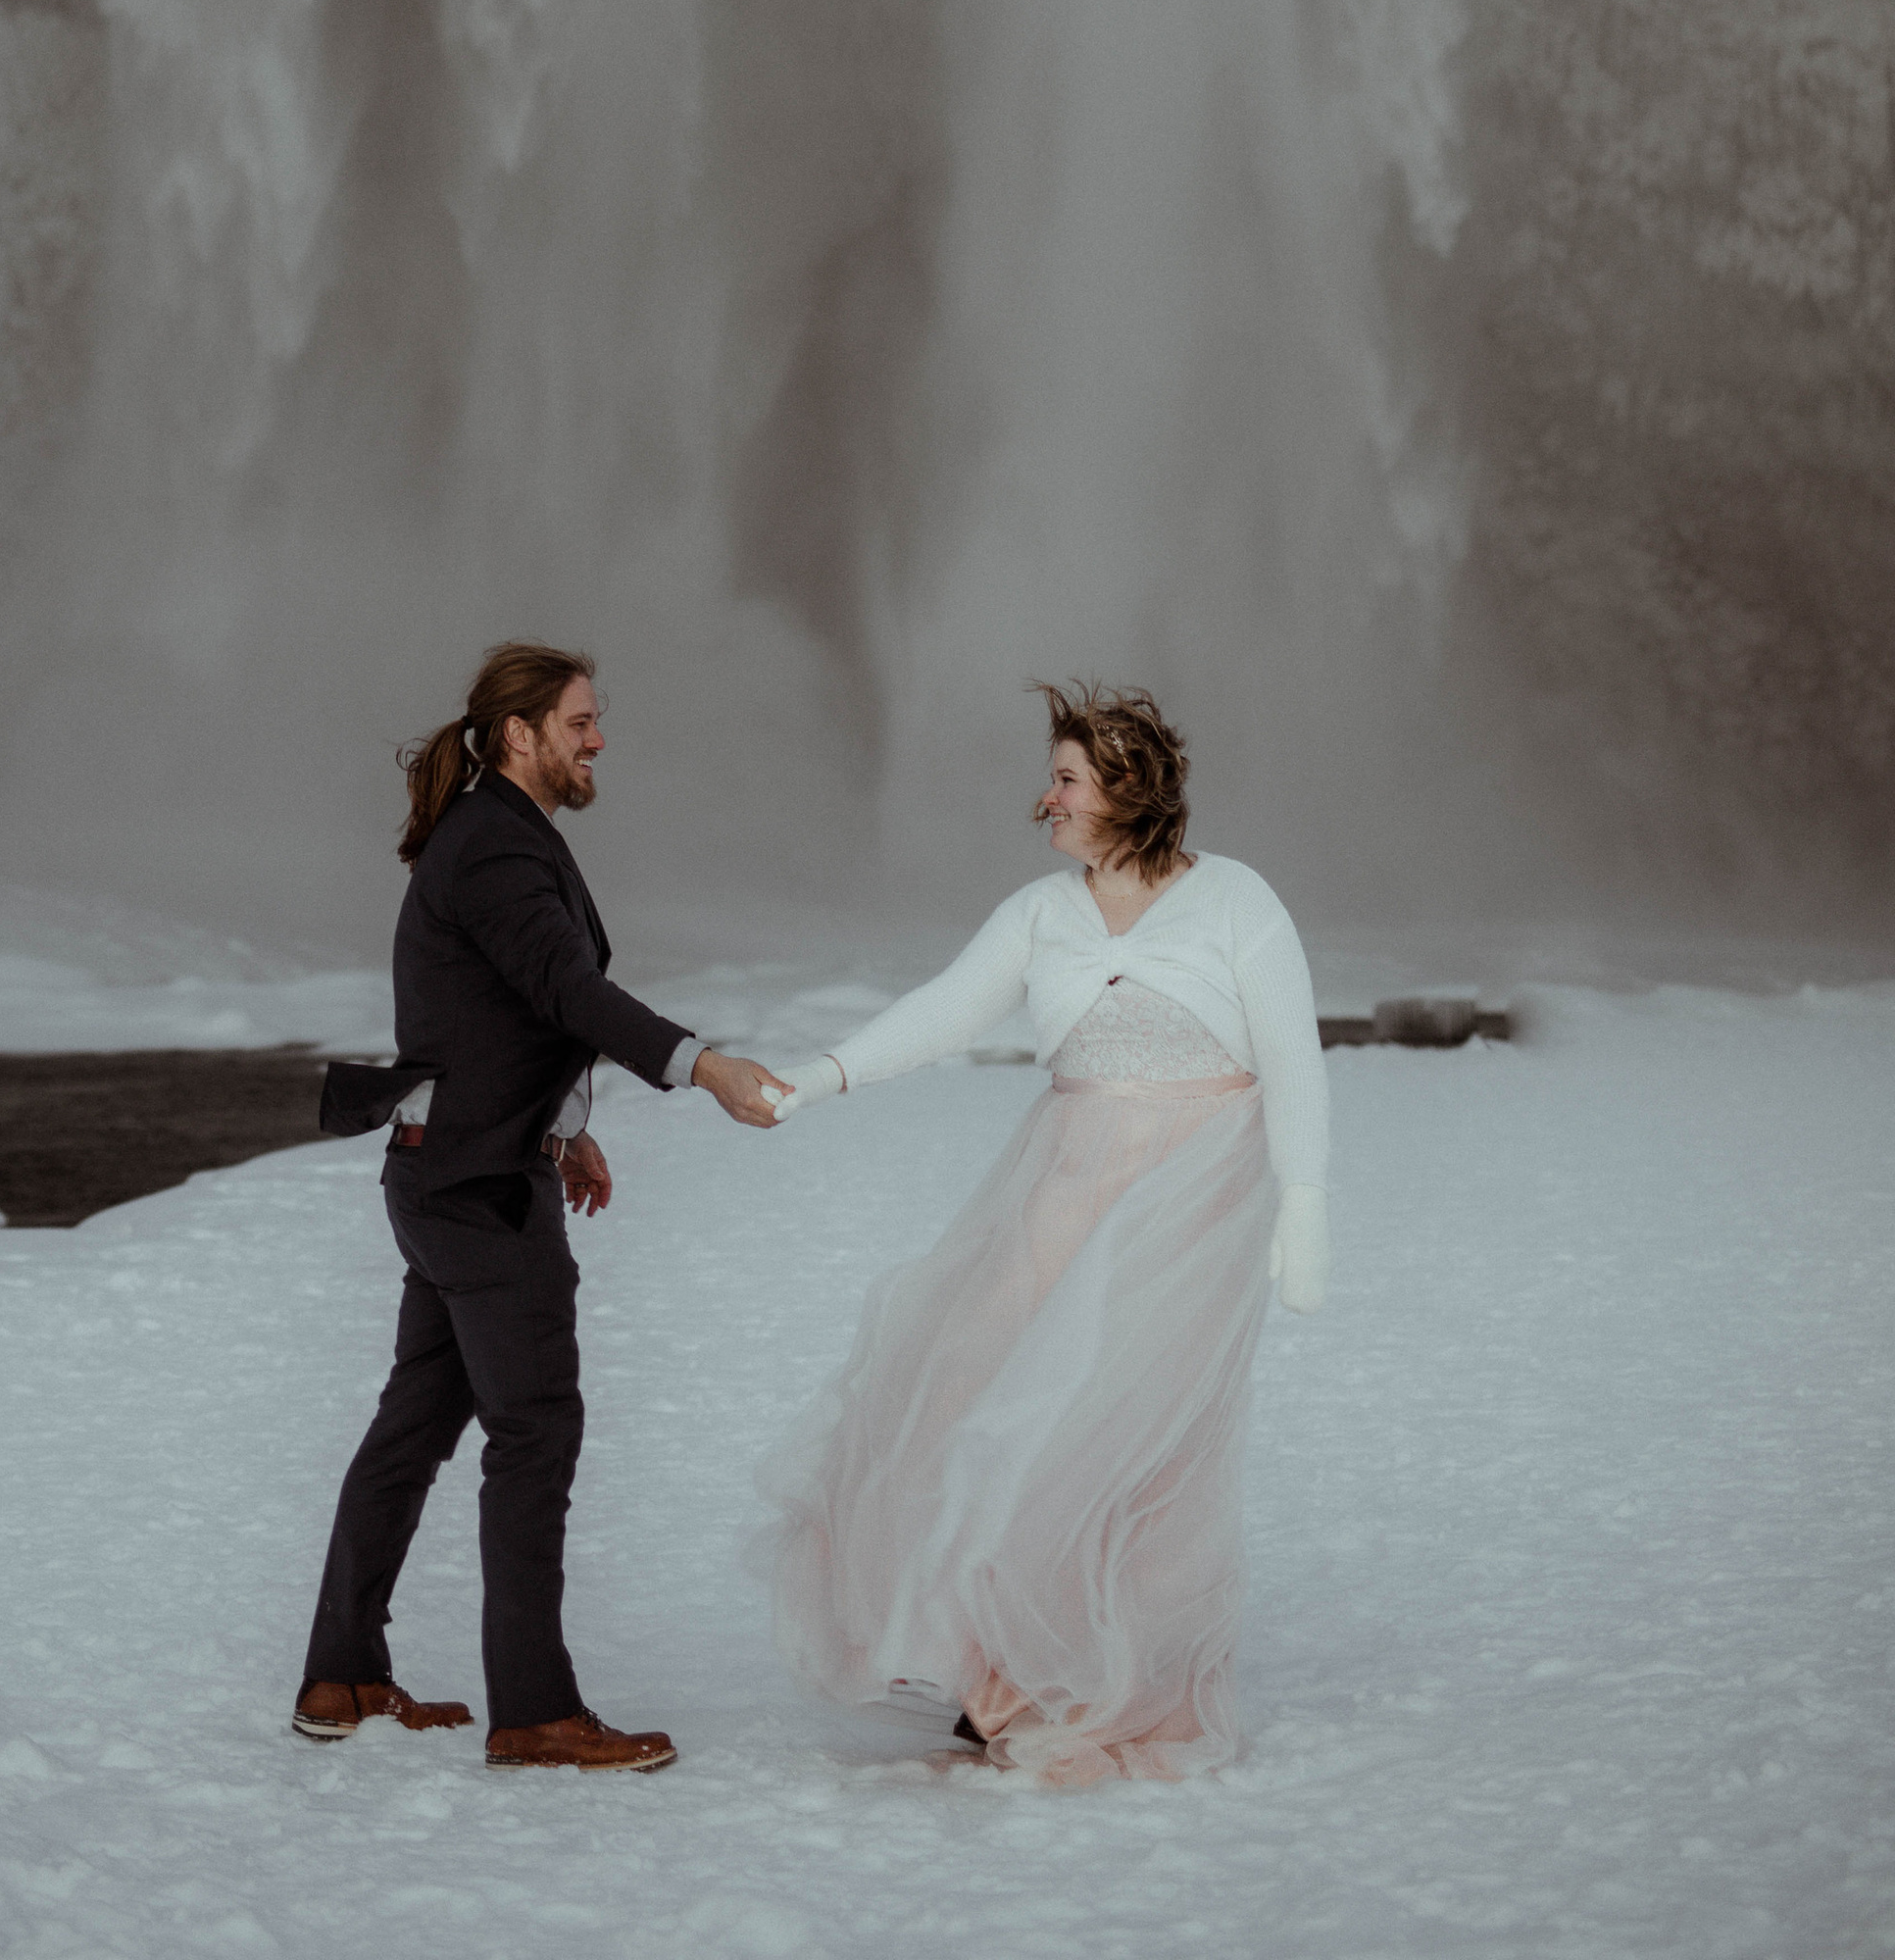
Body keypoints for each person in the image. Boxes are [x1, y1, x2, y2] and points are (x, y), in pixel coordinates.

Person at [758, 679, 1328, 1785]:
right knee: (981, 1397)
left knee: (1127, 1442)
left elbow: (1293, 1059)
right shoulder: (1040, 913)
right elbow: (942, 1010)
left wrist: (1303, 1209)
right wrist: (816, 1079)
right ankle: (994, 1673)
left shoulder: (1236, 902)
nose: (1046, 801)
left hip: (1193, 1198)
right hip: (1061, 1186)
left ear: (1126, 788)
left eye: (1066, 779)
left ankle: (1109, 1675)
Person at [294, 640, 784, 1773]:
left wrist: (565, 1126)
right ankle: (533, 1711)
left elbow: (505, 1013)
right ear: (519, 733)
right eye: (579, 721)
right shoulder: (497, 846)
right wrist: (701, 1067)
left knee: (414, 1426)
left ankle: (344, 1673)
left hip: (448, 1173)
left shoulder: (488, 837)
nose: (597, 739)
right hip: (474, 1192)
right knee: (535, 1430)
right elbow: (568, 990)